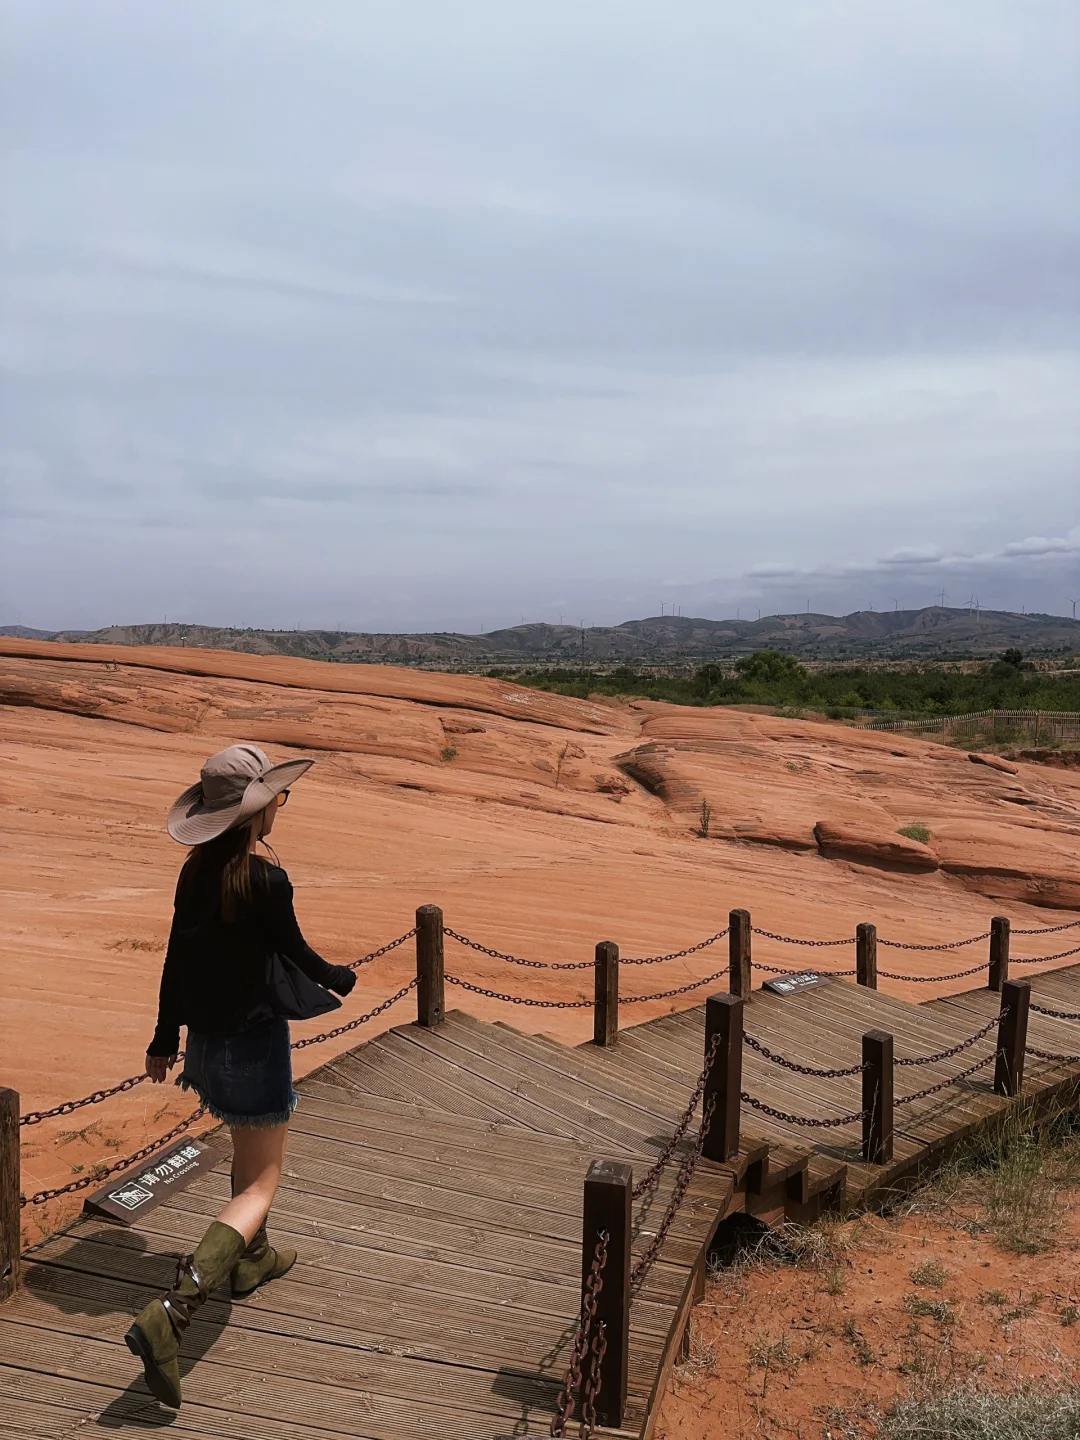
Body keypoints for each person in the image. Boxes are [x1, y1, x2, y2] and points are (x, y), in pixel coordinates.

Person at [125, 743, 356, 1409]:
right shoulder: (264, 881)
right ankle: (173, 1311)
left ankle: (252, 1259)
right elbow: (293, 949)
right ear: (255, 813)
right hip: (253, 1044)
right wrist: (337, 977)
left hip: (204, 1045)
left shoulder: (195, 873)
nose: (281, 807)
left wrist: (163, 1038)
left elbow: (175, 958)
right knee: (262, 1178)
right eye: (278, 798)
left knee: (247, 1156)